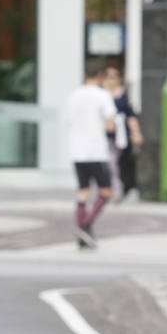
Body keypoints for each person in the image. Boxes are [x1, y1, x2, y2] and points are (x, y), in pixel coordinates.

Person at [63, 60, 117, 249]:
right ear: (100, 76)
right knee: (106, 192)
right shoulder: (103, 96)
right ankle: (85, 226)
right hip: (96, 151)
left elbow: (68, 120)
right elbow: (110, 125)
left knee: (83, 191)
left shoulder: (73, 96)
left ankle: (83, 232)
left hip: (77, 151)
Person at [102, 65, 143, 202]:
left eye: (114, 77)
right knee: (109, 163)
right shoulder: (99, 95)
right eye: (108, 77)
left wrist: (136, 133)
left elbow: (130, 115)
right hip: (102, 136)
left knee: (120, 163)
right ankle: (111, 189)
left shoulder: (123, 96)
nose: (111, 80)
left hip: (121, 136)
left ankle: (120, 189)